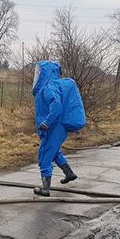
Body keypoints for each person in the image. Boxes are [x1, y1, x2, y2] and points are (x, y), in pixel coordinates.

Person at [32, 60, 86, 196]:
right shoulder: (49, 86)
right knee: (54, 151)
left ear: (45, 72)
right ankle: (69, 173)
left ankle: (45, 189)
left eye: (39, 72)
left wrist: (46, 122)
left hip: (53, 127)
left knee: (45, 153)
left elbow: (56, 107)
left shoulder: (48, 87)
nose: (37, 74)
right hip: (54, 127)